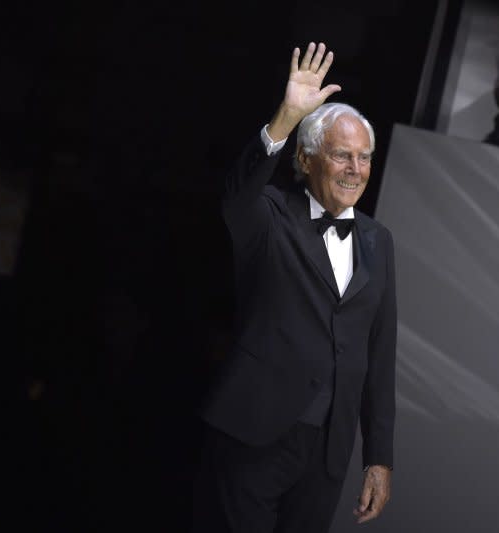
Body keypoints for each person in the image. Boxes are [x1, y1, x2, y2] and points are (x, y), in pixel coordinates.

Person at [192, 42, 397, 533]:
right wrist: (286, 117)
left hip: (327, 451)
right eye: (342, 155)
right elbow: (236, 193)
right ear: (306, 160)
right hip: (253, 431)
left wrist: (378, 456)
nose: (355, 169)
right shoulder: (268, 214)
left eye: (364, 158)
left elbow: (379, 352)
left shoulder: (378, 239)